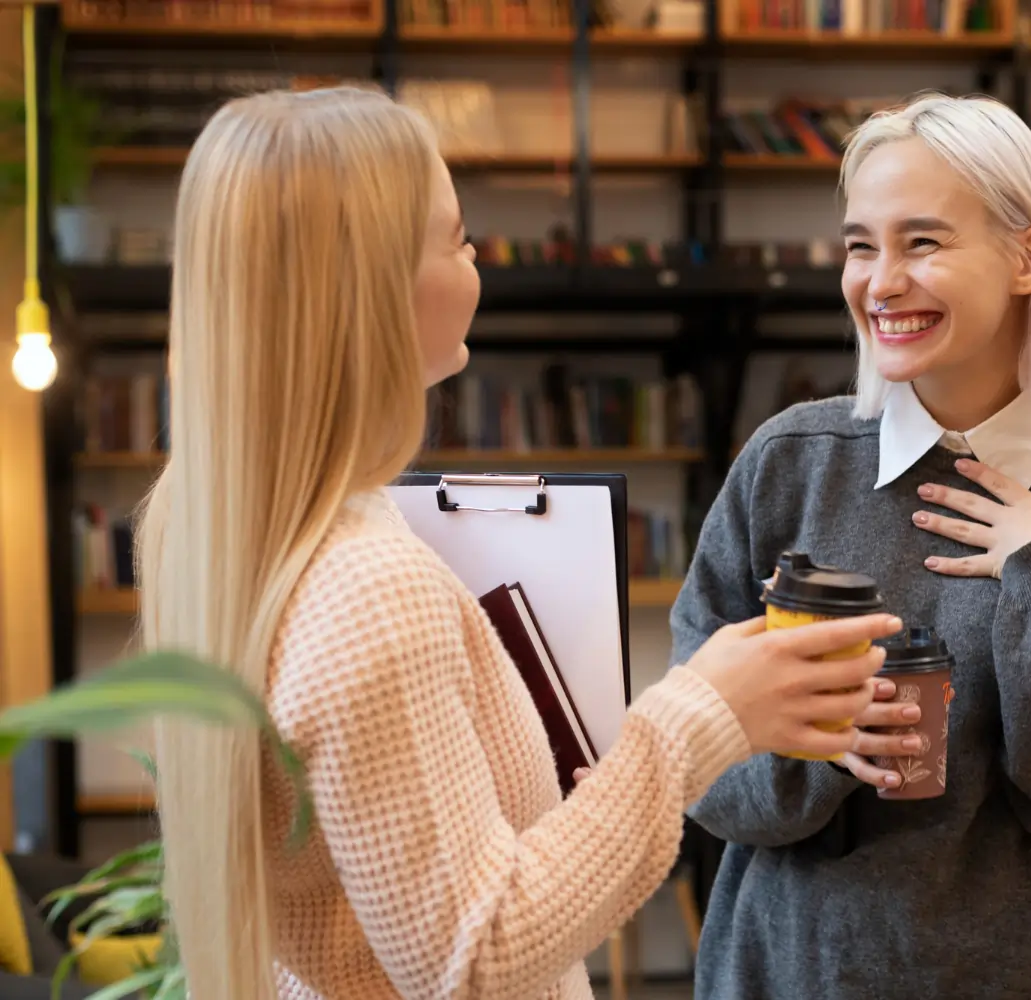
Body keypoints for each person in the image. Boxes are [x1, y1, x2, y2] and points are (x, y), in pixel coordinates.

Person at [134, 87, 904, 1000]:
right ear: (373, 291)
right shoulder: (366, 588)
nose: (476, 260)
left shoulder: (218, 524)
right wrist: (702, 715)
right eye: (457, 238)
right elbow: (474, 957)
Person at [670, 93, 1031, 999]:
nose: (880, 282)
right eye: (861, 246)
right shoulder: (787, 464)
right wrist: (823, 739)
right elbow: (693, 767)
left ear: (1028, 257)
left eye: (922, 242)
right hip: (793, 976)